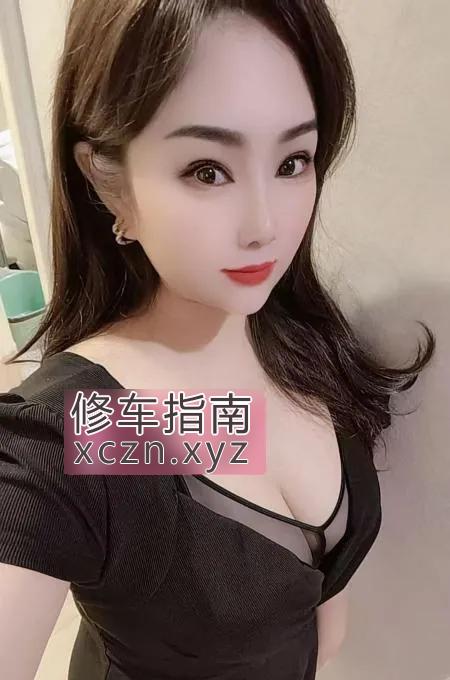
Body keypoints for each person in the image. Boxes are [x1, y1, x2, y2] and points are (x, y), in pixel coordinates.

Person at [0, 1, 435, 679]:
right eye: (207, 170)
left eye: (293, 161)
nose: (266, 225)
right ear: (108, 182)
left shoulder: (298, 346)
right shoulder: (84, 427)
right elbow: (70, 487)